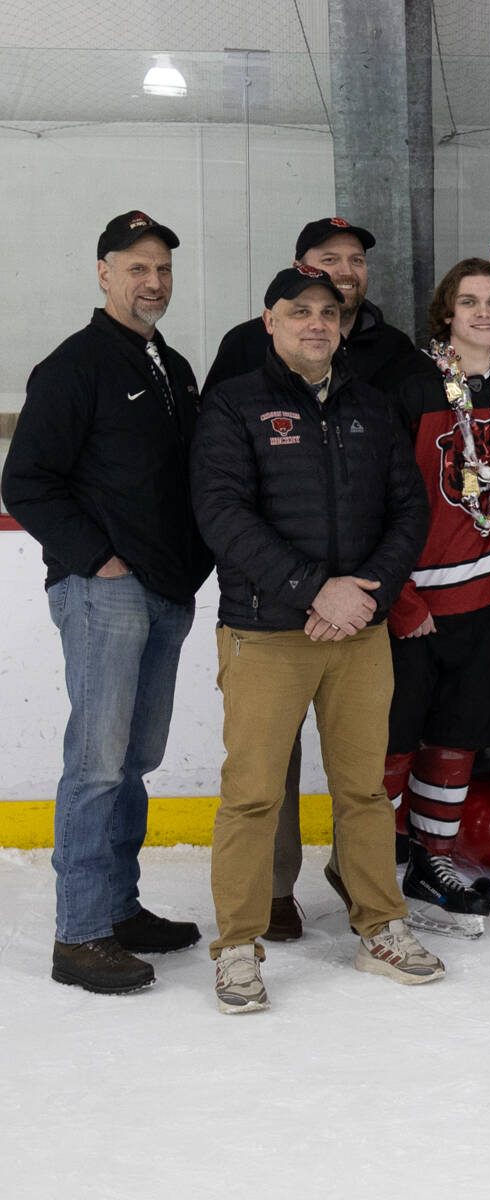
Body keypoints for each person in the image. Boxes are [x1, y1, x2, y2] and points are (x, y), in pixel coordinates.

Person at [190, 265, 440, 1013]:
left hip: (358, 632)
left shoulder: (370, 404)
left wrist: (368, 593)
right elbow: (223, 514)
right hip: (267, 633)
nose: (316, 323)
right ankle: (238, 948)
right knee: (252, 796)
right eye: (299, 311)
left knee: (364, 790)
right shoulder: (234, 404)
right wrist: (314, 589)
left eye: (328, 312)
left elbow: (410, 509)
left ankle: (381, 926)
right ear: (270, 321)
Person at [2, 212, 213, 994]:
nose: (152, 282)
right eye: (136, 268)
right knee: (96, 764)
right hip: (104, 593)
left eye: (162, 269)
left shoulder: (172, 367)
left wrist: (188, 569)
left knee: (134, 761)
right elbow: (26, 482)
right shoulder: (74, 365)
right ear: (103, 273)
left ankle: (120, 910)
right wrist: (100, 561)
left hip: (165, 593)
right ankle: (81, 933)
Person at [386, 259, 490, 937]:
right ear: (445, 314)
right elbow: (379, 500)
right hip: (415, 610)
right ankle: (373, 872)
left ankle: (431, 862)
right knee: (393, 748)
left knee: (455, 744)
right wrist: (399, 597)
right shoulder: (412, 385)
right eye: (468, 302)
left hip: (484, 604)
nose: (483, 312)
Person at [203, 216, 429, 395]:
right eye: (330, 260)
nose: (347, 271)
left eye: (357, 260)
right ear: (297, 268)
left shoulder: (395, 347)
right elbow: (216, 422)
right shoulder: (246, 342)